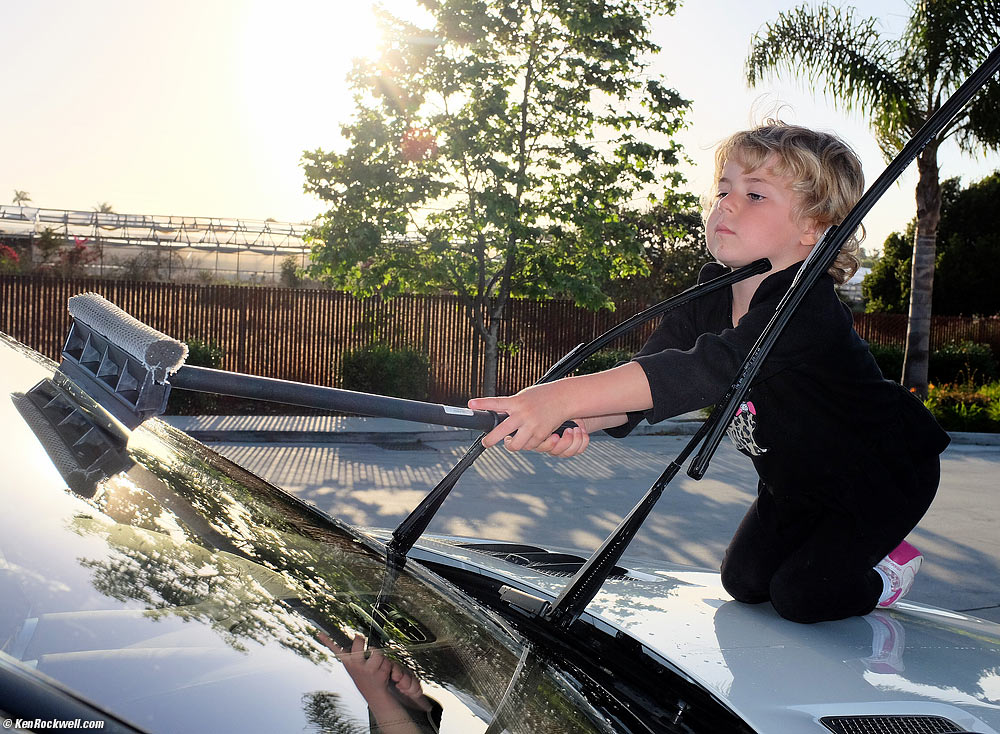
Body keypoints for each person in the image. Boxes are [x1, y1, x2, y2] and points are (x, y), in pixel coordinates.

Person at [468, 121, 950, 624]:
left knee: (802, 595)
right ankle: (829, 544)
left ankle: (887, 571)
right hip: (794, 481)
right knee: (743, 582)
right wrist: (573, 420)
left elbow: (709, 368)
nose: (727, 204)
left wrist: (562, 396)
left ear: (814, 228)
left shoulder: (806, 309)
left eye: (755, 195)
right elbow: (650, 375)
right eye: (723, 190)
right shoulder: (710, 295)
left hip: (881, 475)